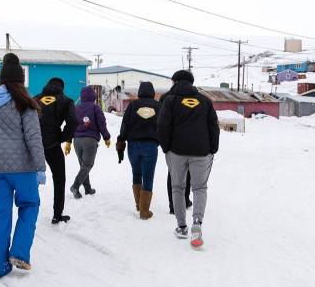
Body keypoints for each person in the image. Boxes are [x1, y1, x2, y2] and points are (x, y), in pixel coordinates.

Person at [0, 53, 46, 278]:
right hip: (23, 168)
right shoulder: (25, 103)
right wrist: (40, 167)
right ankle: (19, 252)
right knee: (30, 205)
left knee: (0, 214)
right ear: (21, 80)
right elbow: (33, 137)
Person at [157, 70, 219, 249]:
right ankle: (197, 223)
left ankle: (182, 226)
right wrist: (212, 149)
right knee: (200, 188)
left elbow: (162, 126)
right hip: (201, 151)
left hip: (176, 151)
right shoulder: (205, 101)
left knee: (178, 187)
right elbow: (213, 127)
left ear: (175, 82)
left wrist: (166, 148)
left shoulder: (169, 100)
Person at [116, 82, 161, 219]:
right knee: (148, 177)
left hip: (133, 145)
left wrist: (121, 139)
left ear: (140, 92)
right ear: (152, 92)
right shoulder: (158, 106)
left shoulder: (133, 105)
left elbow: (125, 125)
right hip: (150, 145)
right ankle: (144, 211)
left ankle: (138, 205)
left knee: (136, 173)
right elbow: (163, 125)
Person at [35, 77, 78, 224]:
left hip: (33, 145)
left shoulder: (35, 99)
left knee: (31, 179)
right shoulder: (66, 101)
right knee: (59, 179)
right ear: (61, 88)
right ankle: (57, 214)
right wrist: (61, 137)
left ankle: (29, 211)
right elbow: (73, 121)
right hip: (52, 146)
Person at [70, 86, 110, 199]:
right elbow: (101, 123)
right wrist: (106, 137)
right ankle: (75, 186)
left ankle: (87, 189)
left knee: (83, 165)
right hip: (90, 140)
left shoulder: (76, 108)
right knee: (87, 165)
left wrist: (69, 141)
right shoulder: (95, 108)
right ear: (93, 96)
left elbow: (71, 125)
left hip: (77, 140)